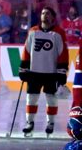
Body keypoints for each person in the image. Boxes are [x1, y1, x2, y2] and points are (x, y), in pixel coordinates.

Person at [19, 7, 69, 136]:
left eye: (47, 13)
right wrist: (23, 68)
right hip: (34, 72)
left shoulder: (59, 33)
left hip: (51, 73)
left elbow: (63, 53)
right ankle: (29, 123)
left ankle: (50, 123)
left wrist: (62, 73)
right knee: (31, 98)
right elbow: (26, 51)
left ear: (52, 17)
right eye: (42, 13)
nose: (44, 15)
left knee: (51, 99)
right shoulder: (33, 31)